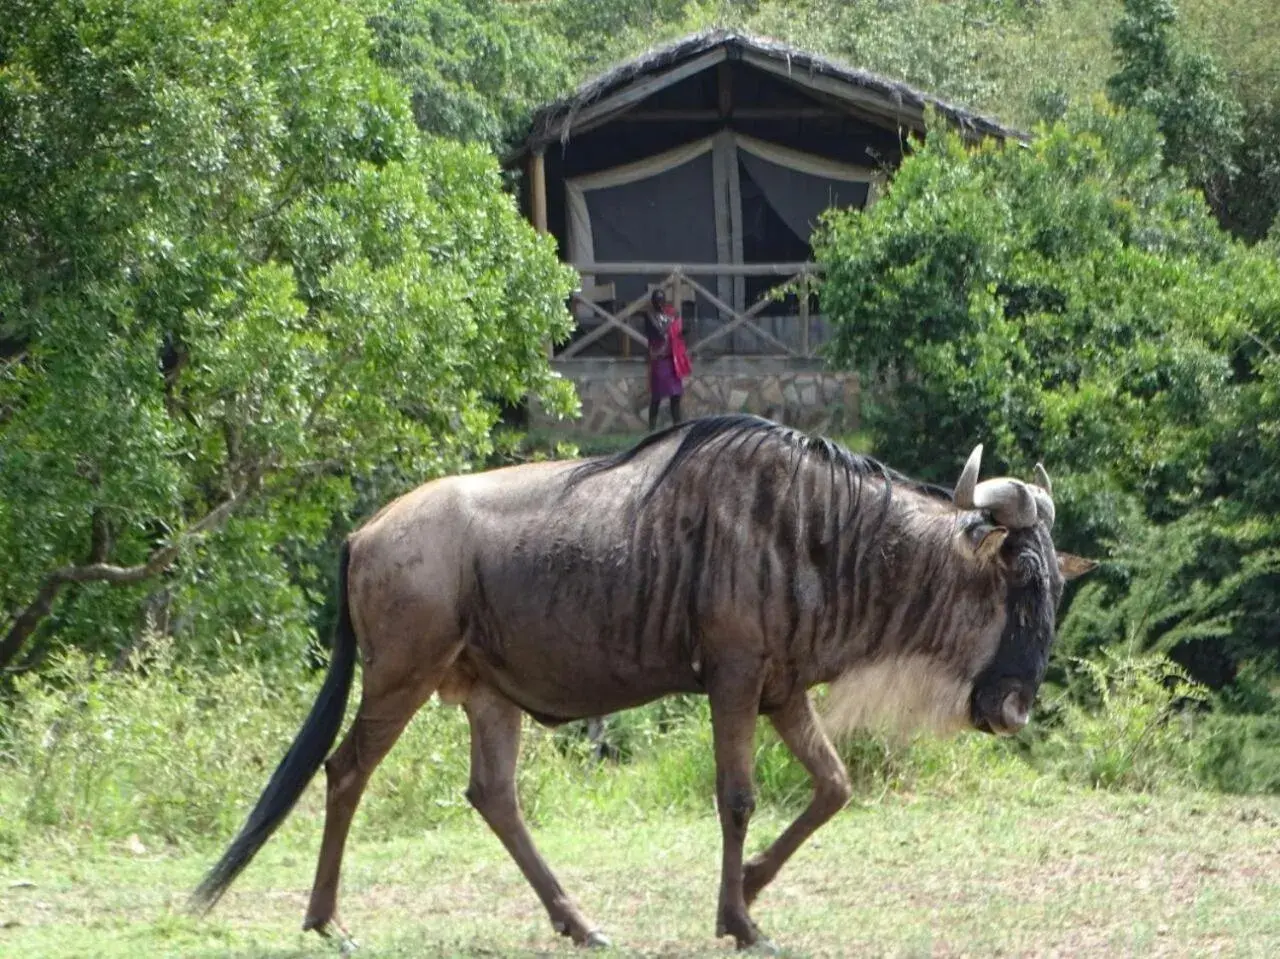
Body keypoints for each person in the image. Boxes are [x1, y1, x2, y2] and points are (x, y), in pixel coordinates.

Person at [643, 288, 691, 431]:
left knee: (675, 396)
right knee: (656, 397)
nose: (659, 302)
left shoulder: (669, 314)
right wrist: (670, 322)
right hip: (659, 360)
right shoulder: (650, 316)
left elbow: (675, 333)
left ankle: (678, 428)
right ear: (653, 301)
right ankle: (651, 429)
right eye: (657, 299)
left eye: (661, 299)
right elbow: (657, 334)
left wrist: (681, 332)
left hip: (672, 361)